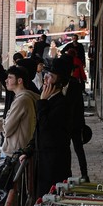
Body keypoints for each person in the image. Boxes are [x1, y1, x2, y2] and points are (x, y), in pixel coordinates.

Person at [0, 65, 38, 159]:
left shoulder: (22, 100)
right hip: (19, 150)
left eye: (10, 77)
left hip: (14, 153)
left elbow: (7, 129)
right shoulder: (24, 98)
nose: (6, 80)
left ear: (19, 81)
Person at [34, 57, 73, 198]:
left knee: (51, 197)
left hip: (55, 161)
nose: (45, 78)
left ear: (59, 81)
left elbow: (46, 127)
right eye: (46, 74)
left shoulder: (62, 103)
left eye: (50, 76)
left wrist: (42, 103)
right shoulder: (49, 99)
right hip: (43, 157)